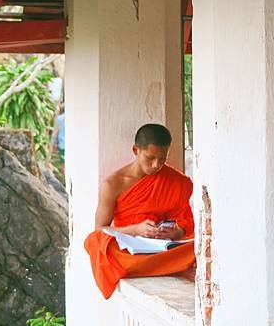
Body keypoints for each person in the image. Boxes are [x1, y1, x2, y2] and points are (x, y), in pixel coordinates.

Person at [84, 123, 196, 299]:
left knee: (199, 245)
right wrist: (136, 230)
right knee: (95, 241)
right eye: (150, 158)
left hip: (163, 248)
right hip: (130, 249)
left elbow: (186, 222)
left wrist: (176, 231)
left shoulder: (178, 182)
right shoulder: (113, 184)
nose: (156, 165)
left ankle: (160, 265)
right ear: (136, 150)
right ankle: (167, 266)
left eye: (162, 159)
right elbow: (100, 228)